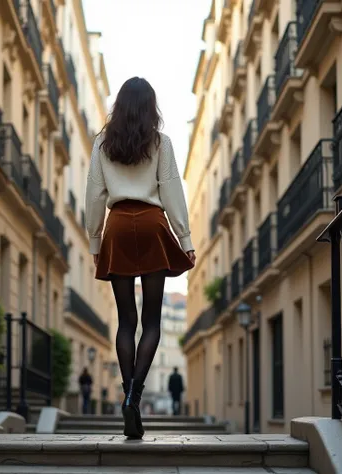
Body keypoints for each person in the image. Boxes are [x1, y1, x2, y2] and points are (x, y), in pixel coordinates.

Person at [85, 77, 196, 439]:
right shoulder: (160, 143)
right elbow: (172, 189)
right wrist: (185, 236)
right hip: (151, 225)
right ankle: (135, 395)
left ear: (119, 106)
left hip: (117, 225)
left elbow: (94, 195)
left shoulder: (103, 143)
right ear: (150, 107)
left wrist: (95, 240)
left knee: (125, 322)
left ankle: (126, 392)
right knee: (151, 321)